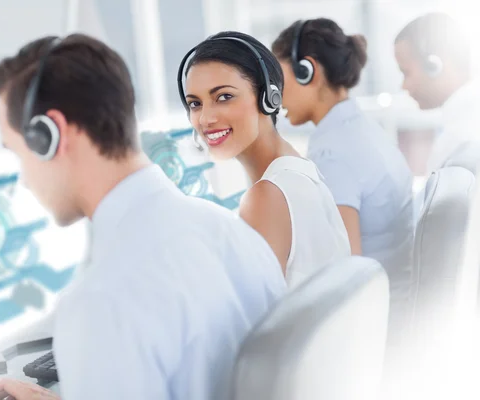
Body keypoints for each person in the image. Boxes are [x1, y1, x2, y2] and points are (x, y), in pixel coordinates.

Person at [0, 34, 286, 400]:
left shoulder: (100, 302)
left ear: (50, 136)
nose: (25, 181)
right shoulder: (232, 232)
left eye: (18, 154)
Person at [271, 18, 414, 342]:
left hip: (378, 331)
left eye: (278, 78)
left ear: (309, 71)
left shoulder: (334, 151)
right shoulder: (363, 130)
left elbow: (345, 272)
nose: (275, 95)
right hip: (397, 309)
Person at [178, 31, 351, 288]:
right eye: (195, 104)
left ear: (269, 98)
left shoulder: (268, 196)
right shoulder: (300, 170)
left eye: (224, 97)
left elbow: (249, 321)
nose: (205, 119)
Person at [394, 12, 479, 172]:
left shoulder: (464, 137)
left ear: (433, 66)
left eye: (406, 72)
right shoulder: (459, 120)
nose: (404, 86)